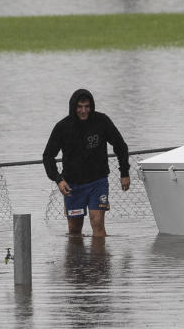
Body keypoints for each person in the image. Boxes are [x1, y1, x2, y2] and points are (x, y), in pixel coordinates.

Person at [43, 88, 130, 237]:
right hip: (72, 186)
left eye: (87, 106)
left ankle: (100, 260)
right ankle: (76, 260)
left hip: (98, 182)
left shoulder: (102, 121)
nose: (84, 111)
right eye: (80, 107)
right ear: (73, 107)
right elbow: (47, 156)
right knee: (74, 230)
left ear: (92, 106)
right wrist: (58, 180)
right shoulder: (62, 127)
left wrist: (124, 173)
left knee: (97, 222)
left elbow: (120, 146)